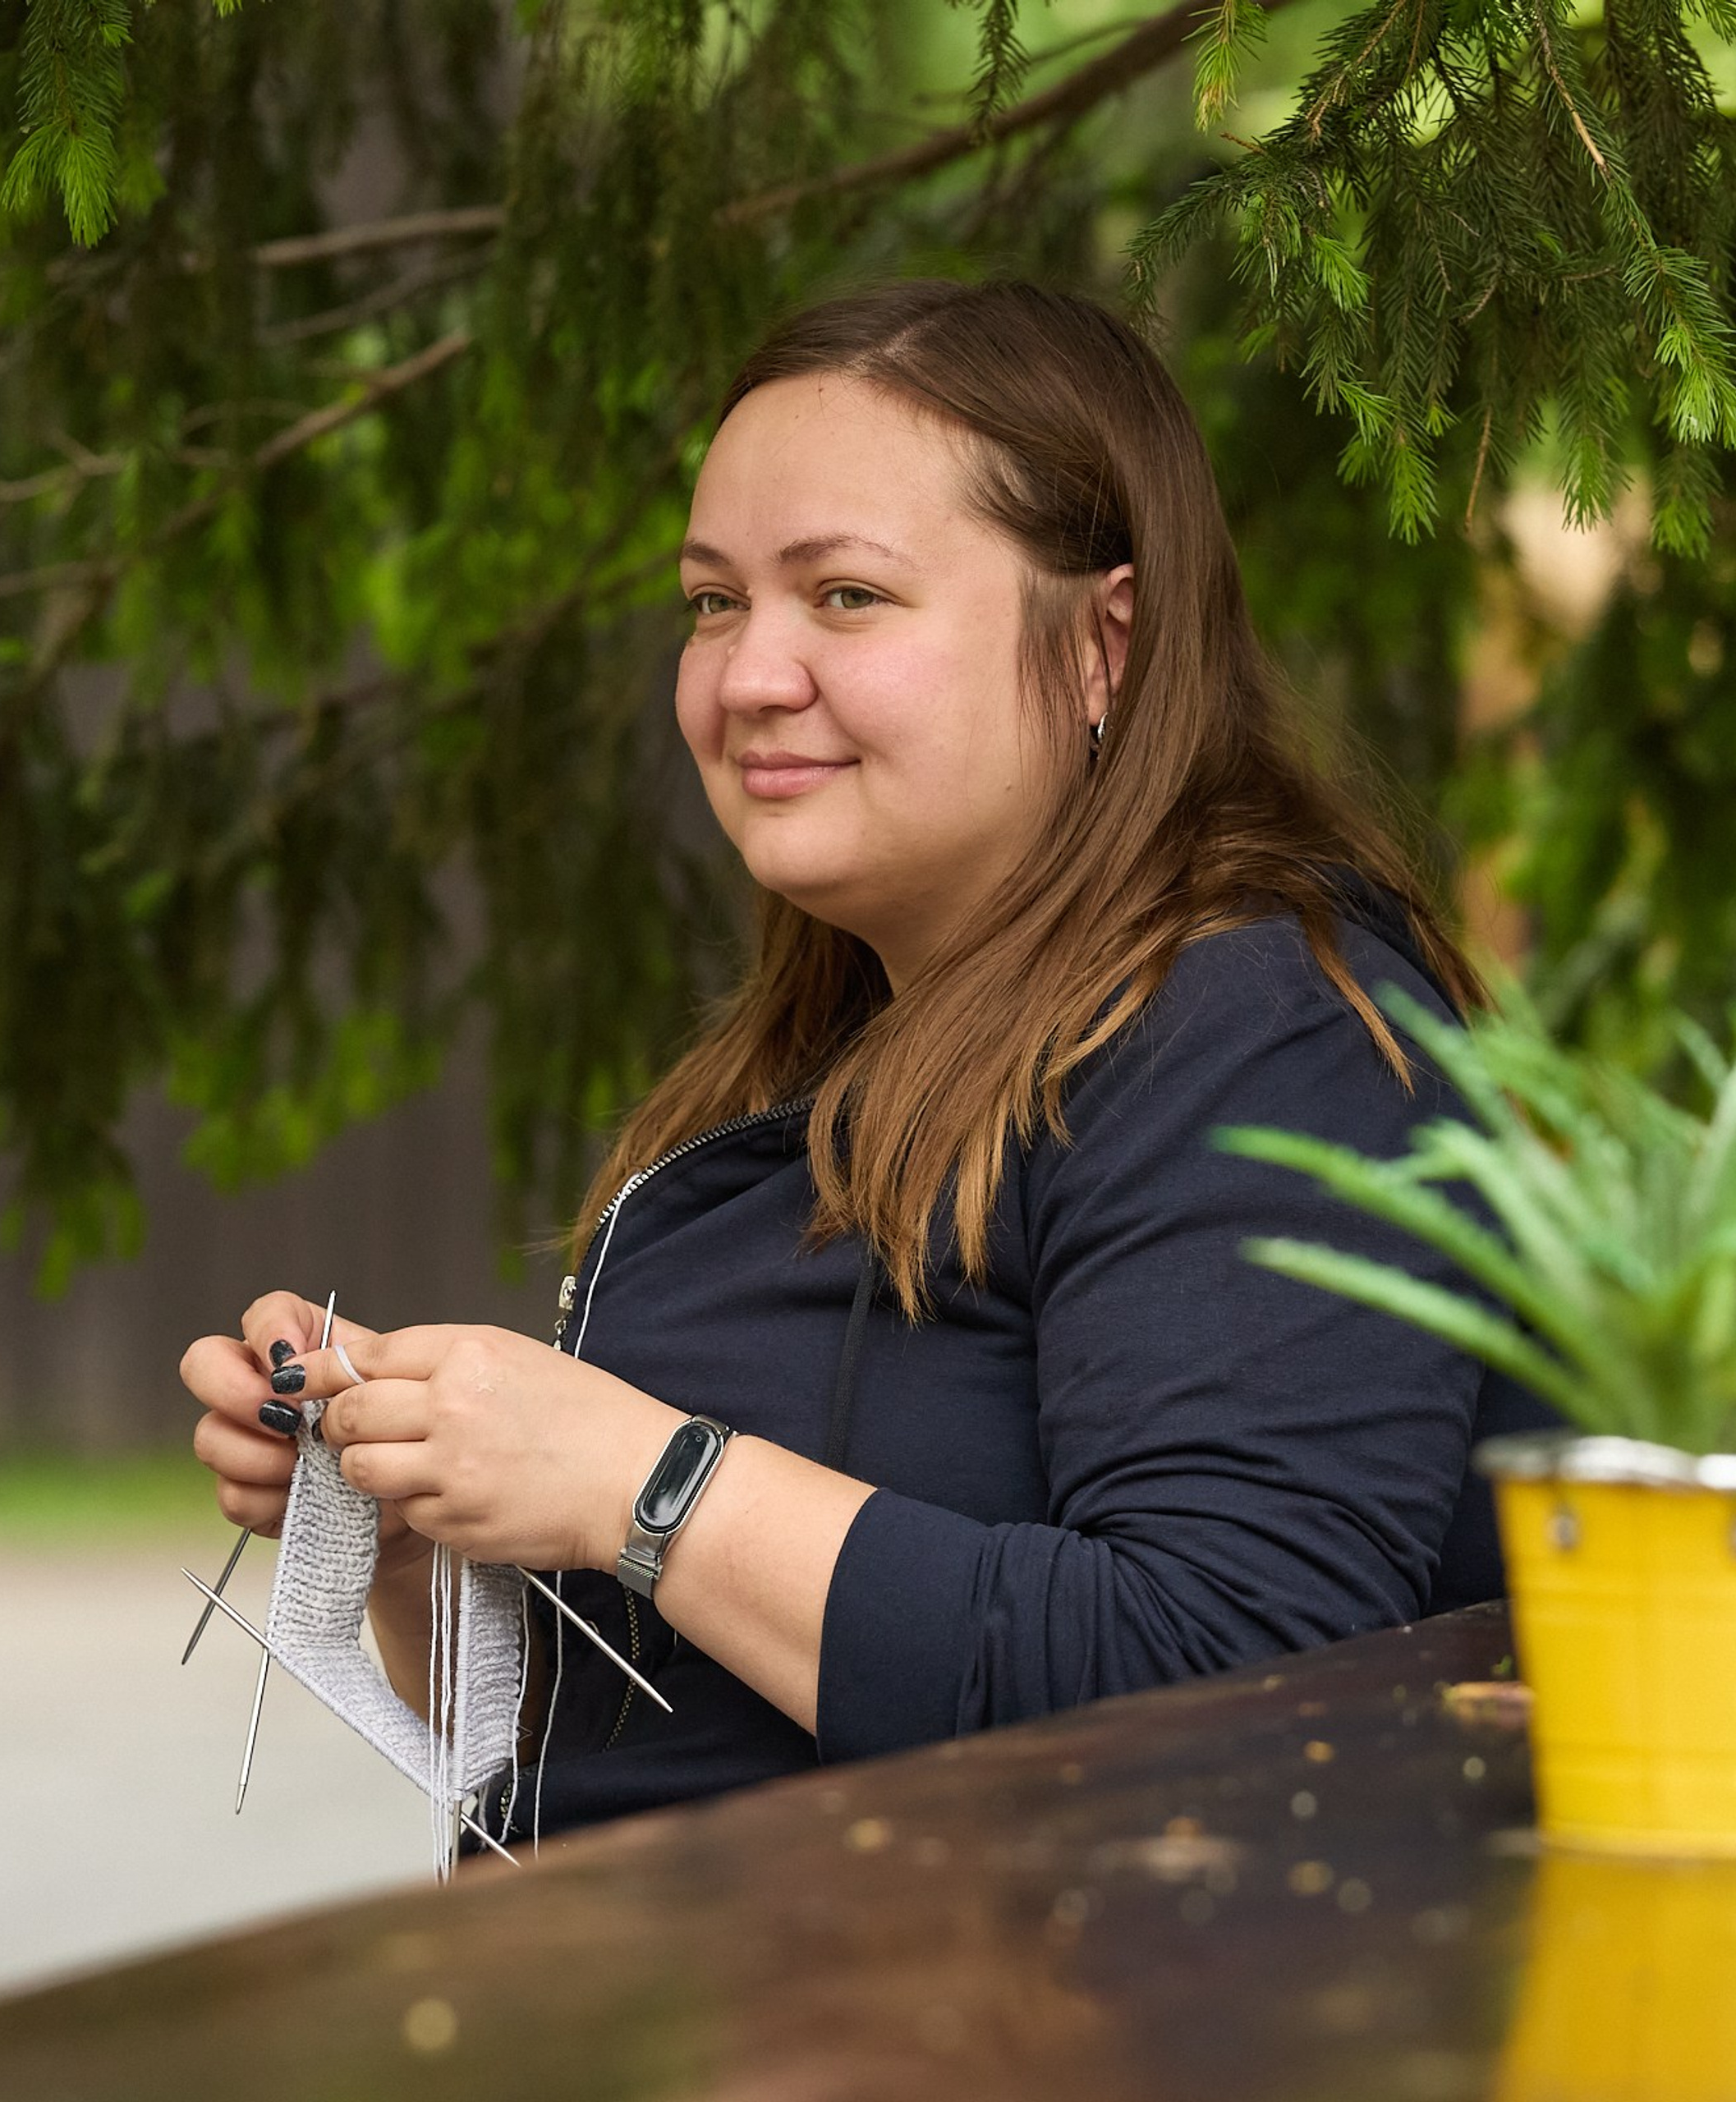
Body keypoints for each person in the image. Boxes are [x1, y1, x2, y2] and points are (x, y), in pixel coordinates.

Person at [179, 278, 1548, 1852]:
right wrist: (424, 1531)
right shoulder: (820, 1056)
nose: (749, 675)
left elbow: (1232, 1679)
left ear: (1103, 647)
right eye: (714, 602)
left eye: (845, 595)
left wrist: (643, 1482)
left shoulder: (1263, 1029)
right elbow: (663, 1730)